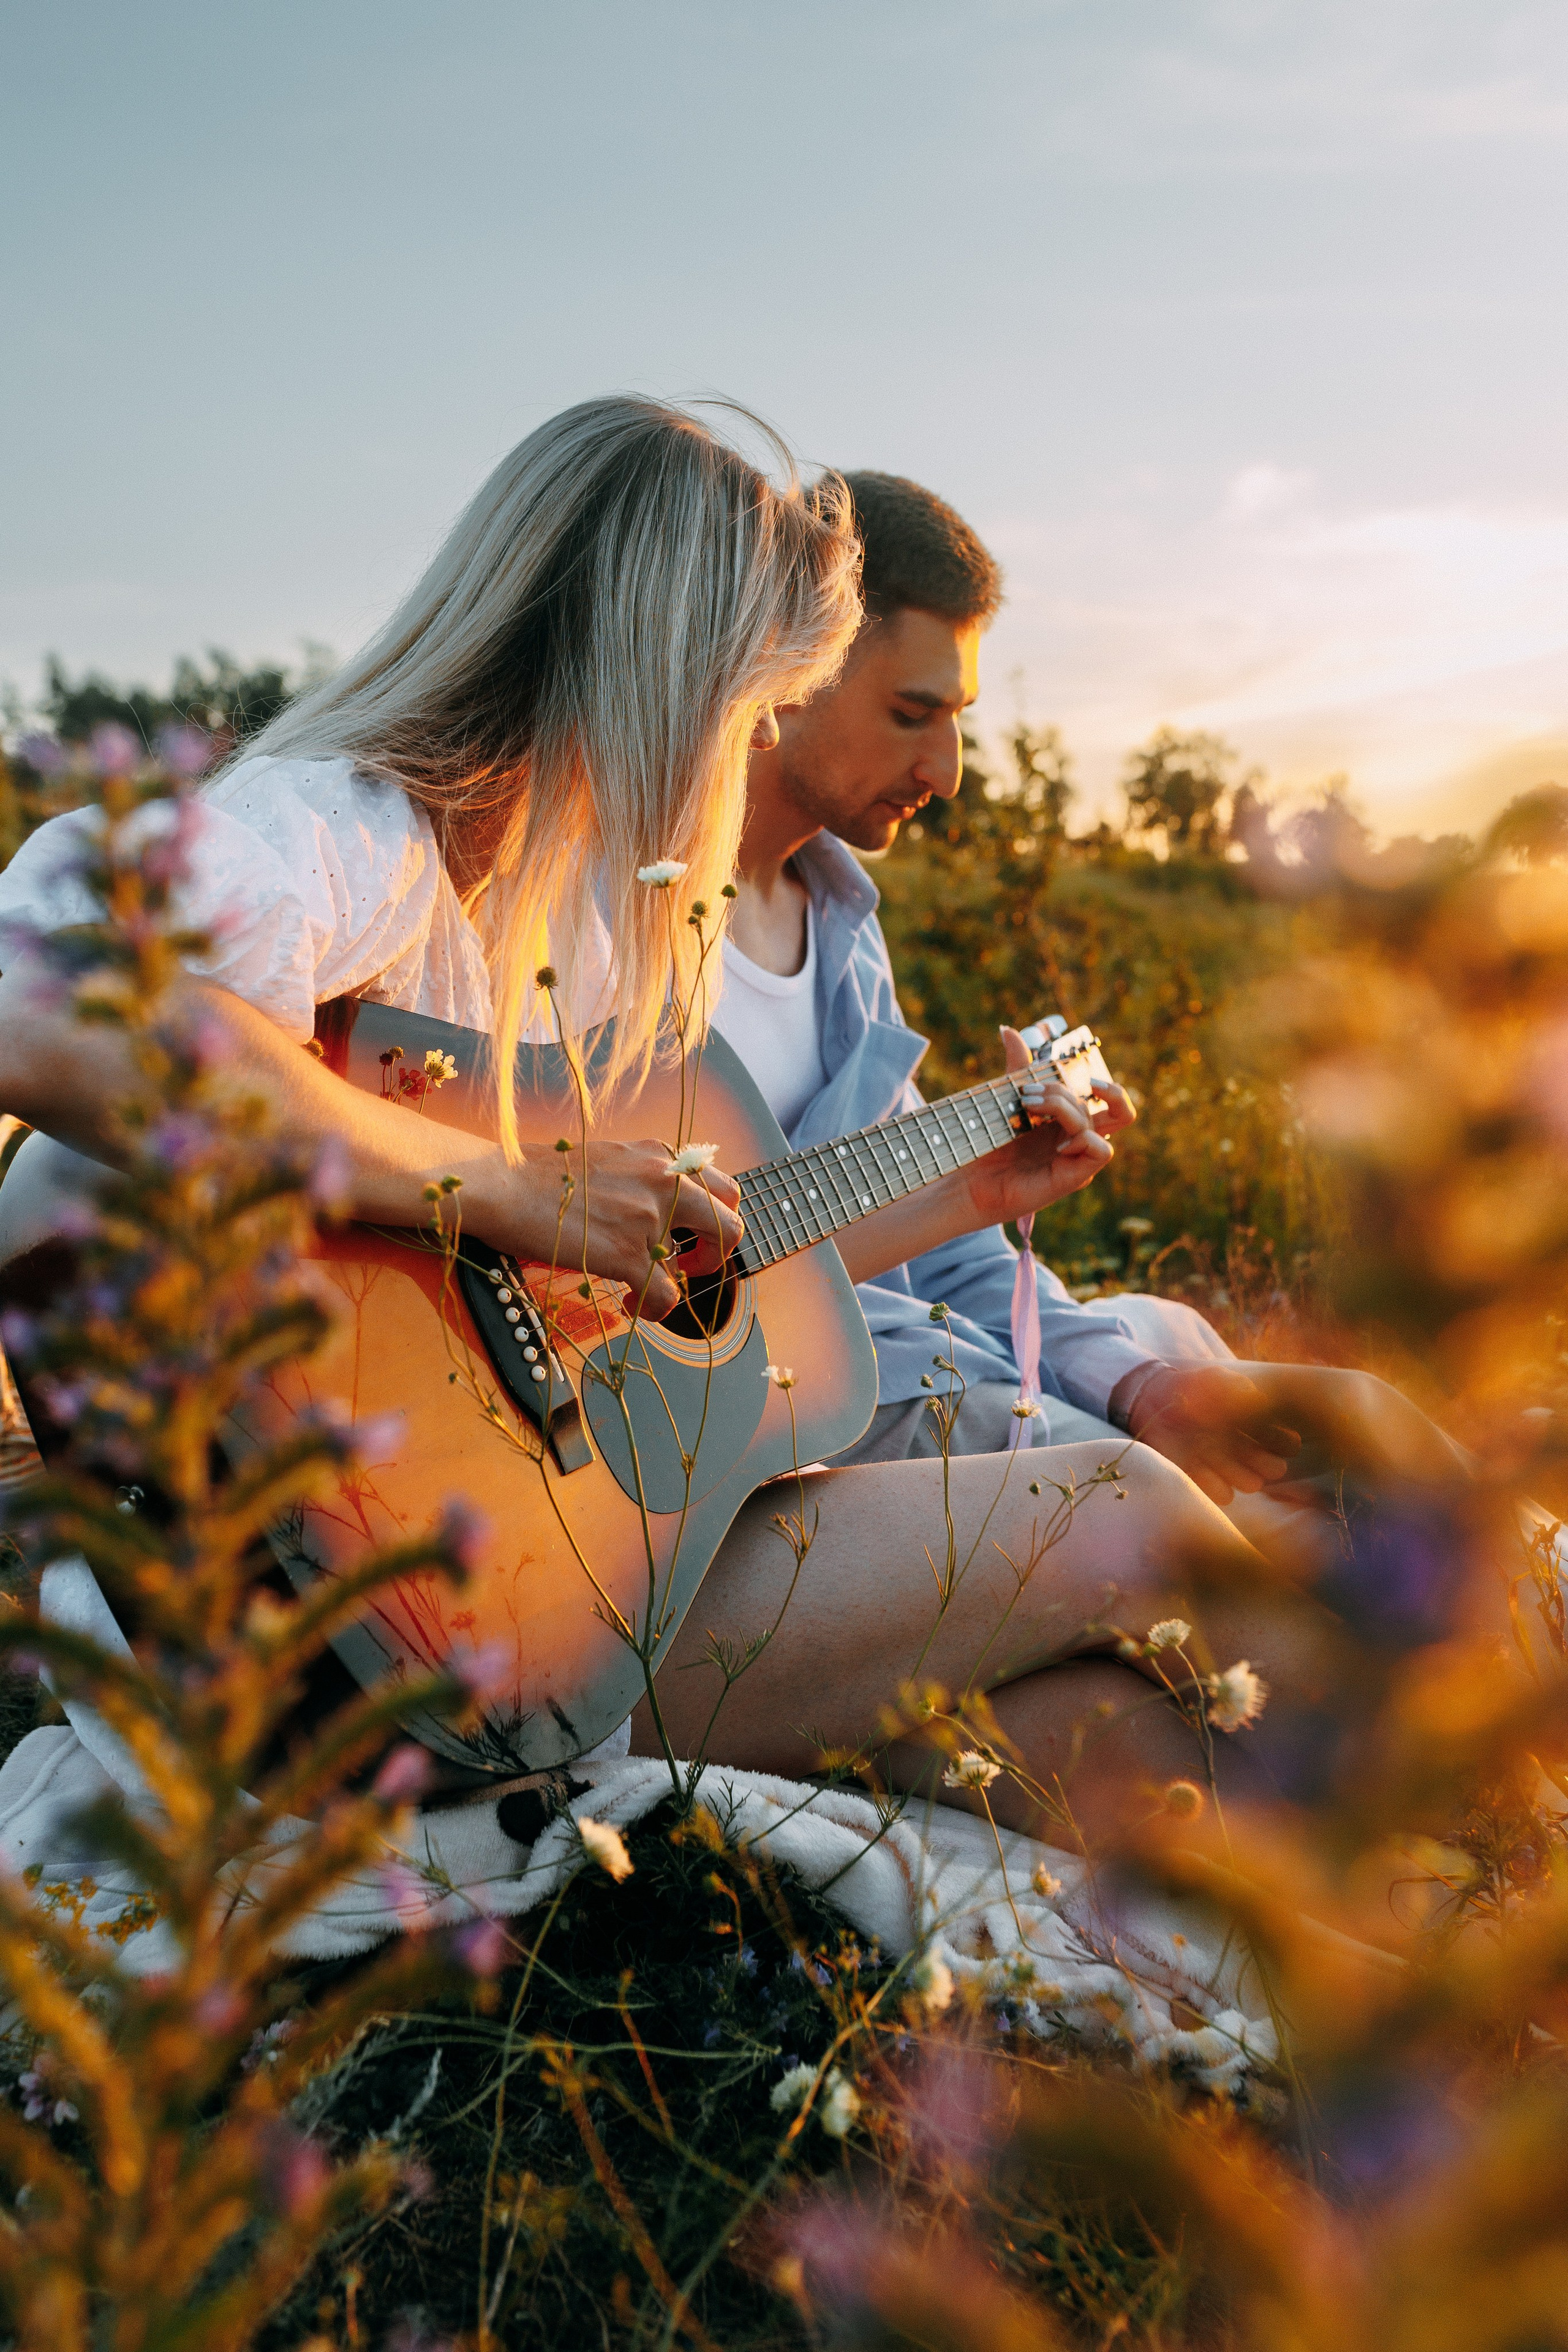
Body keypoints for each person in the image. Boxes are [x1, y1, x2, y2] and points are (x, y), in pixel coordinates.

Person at [0, 397, 1438, 1842]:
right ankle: (1448, 1765)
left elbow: (692, 1293)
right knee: (1122, 1509)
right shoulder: (354, 831)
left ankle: (1420, 1900)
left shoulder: (590, 941)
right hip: (418, 1629)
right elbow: (45, 1005)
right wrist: (498, 1192)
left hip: (572, 1582)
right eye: (753, 705)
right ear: (661, 671)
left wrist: (961, 1193)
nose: (746, 750)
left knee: (1121, 1743)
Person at [709, 469, 1409, 1537]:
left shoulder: (846, 927)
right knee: (1280, 1535)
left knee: (1183, 1342)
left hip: (915, 1351)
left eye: (959, 720)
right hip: (803, 1412)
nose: (945, 772)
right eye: (912, 713)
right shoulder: (631, 926)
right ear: (790, 663)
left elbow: (944, 1252)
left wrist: (1136, 1390)